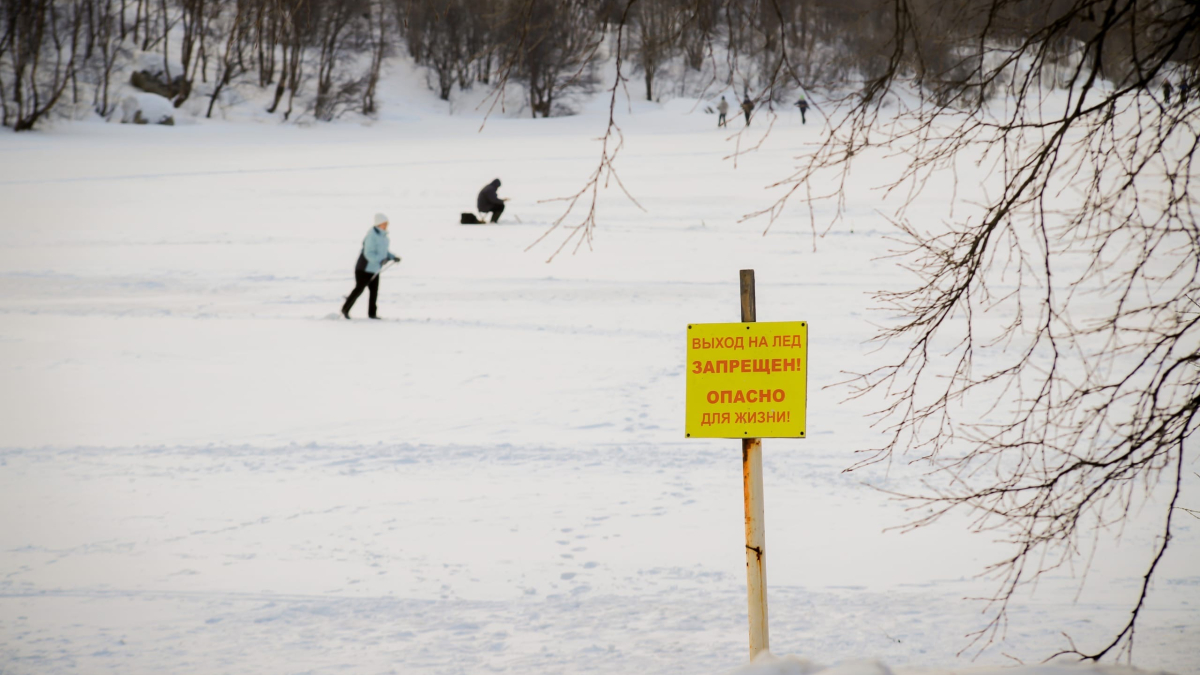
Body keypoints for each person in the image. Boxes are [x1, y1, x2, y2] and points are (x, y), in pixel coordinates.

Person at [341, 213, 400, 320]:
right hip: (364, 268)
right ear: (378, 224)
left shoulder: (384, 236)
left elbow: (383, 252)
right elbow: (369, 253)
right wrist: (380, 260)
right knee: (359, 289)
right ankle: (345, 309)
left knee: (374, 292)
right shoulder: (371, 236)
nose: (386, 225)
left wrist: (392, 257)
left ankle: (372, 314)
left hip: (375, 269)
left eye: (386, 224)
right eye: (384, 223)